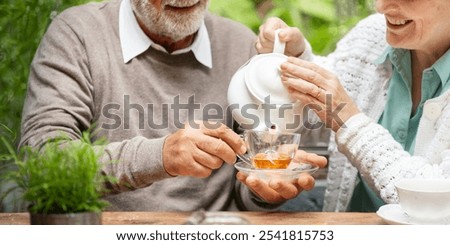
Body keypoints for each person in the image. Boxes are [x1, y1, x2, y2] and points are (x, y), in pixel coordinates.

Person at [19, 0, 327, 211]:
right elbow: (41, 162)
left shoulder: (237, 43)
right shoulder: (79, 34)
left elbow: (244, 187)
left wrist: (263, 192)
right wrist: (161, 156)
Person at [256, 0, 450, 212]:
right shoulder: (373, 34)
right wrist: (298, 59)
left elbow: (439, 206)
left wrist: (349, 122)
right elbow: (341, 93)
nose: (381, 7)